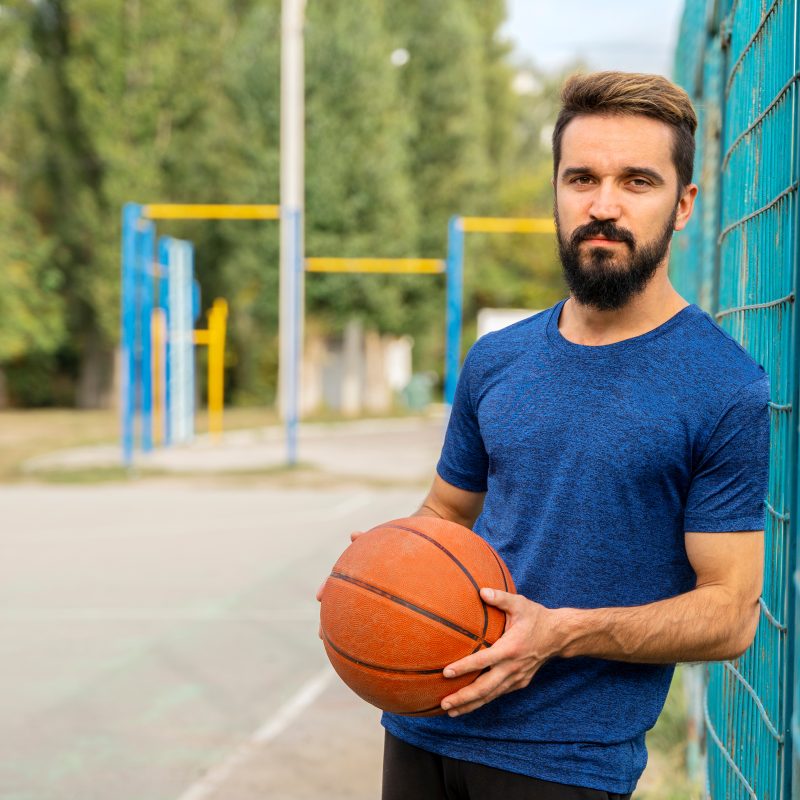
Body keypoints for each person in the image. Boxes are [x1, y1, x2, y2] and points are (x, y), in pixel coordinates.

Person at [320, 71, 770, 799]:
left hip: (566, 761)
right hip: (421, 719)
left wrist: (561, 632)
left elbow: (731, 614)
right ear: (556, 191)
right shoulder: (497, 359)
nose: (603, 205)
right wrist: (381, 567)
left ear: (683, 204)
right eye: (582, 178)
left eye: (637, 182)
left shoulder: (723, 385)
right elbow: (444, 512)